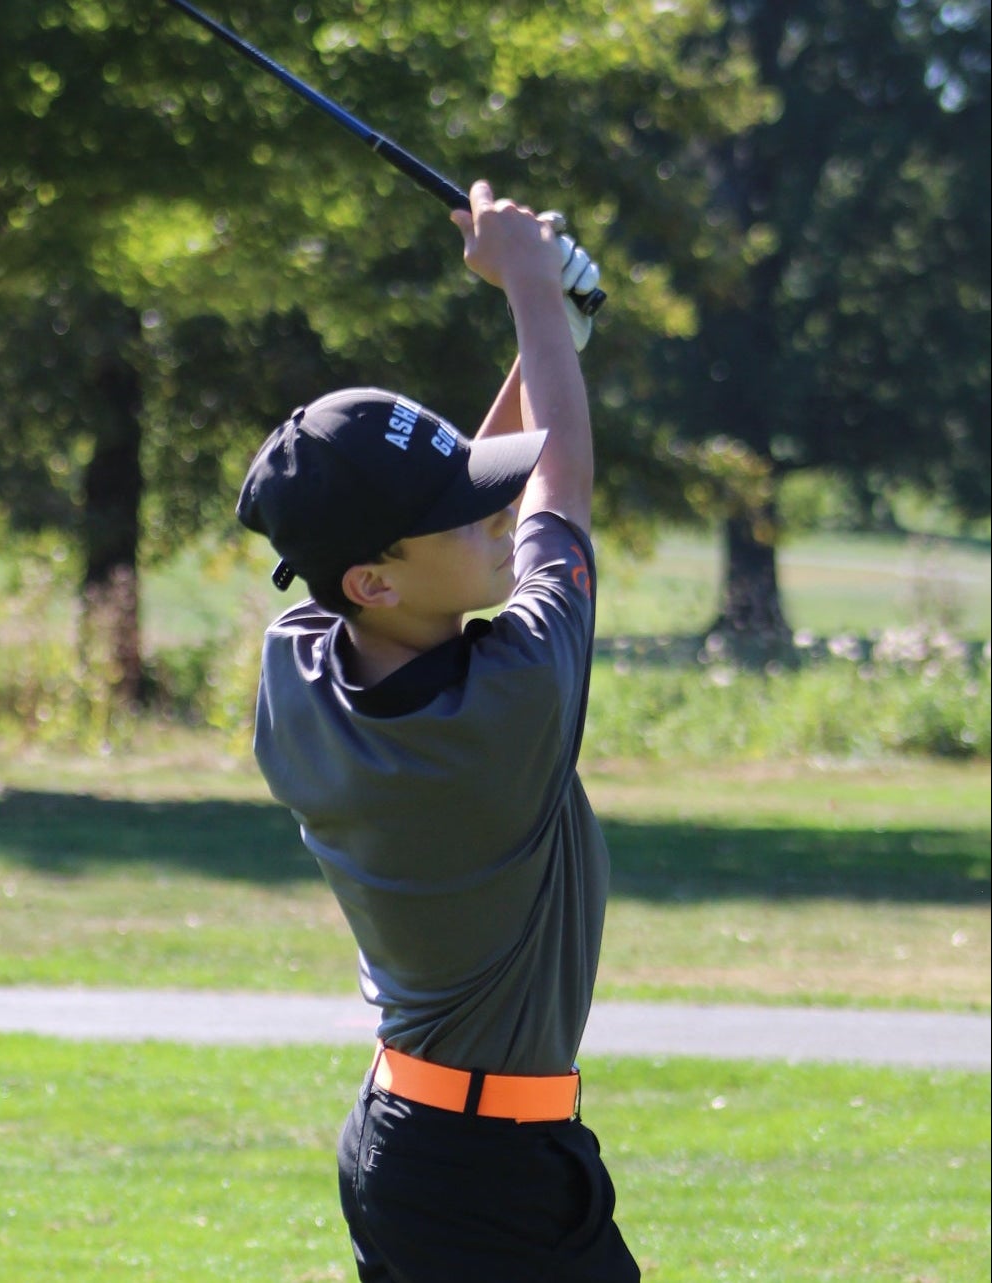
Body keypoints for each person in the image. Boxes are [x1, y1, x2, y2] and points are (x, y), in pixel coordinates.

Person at [235, 180, 640, 1282]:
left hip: (430, 1147)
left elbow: (495, 484)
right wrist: (528, 292)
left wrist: (558, 318)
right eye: (462, 512)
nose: (492, 514)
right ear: (369, 578)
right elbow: (557, 483)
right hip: (480, 1174)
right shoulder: (502, 713)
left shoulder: (301, 663)